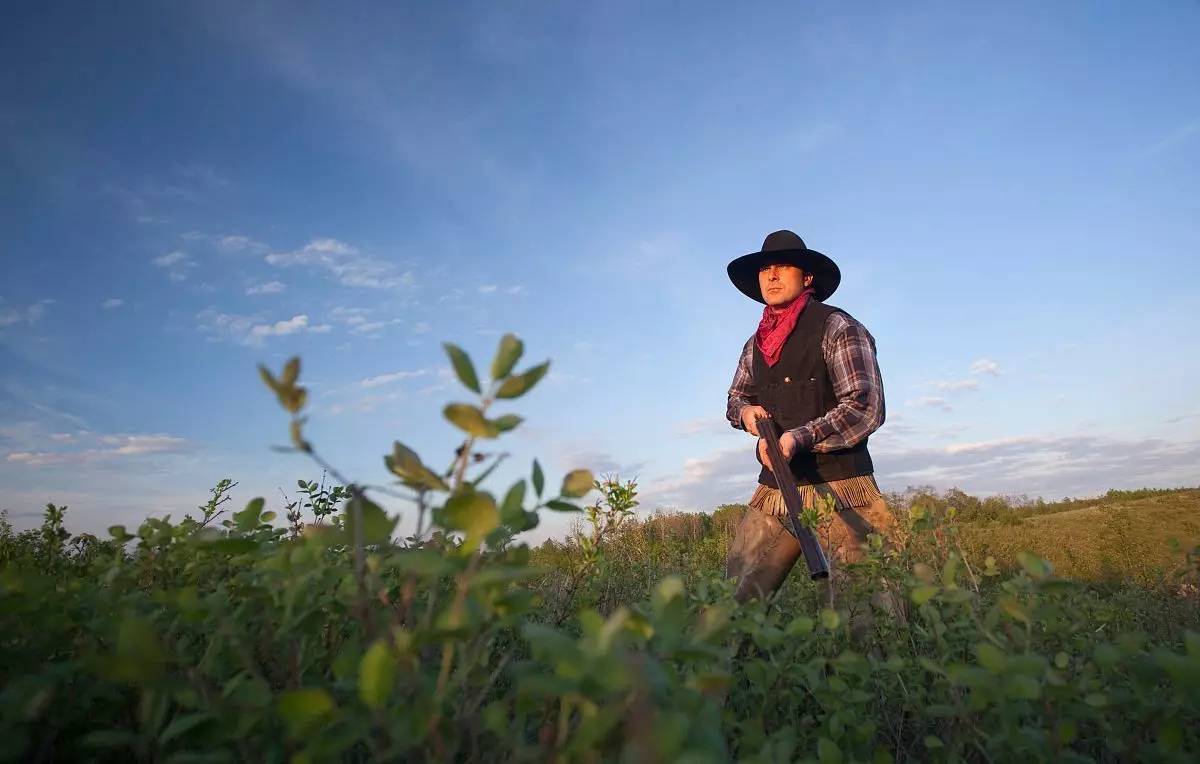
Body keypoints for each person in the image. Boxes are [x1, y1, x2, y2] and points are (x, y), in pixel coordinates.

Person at [723, 230, 901, 620]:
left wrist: (798, 439)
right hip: (773, 492)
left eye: (782, 266)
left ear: (807, 278)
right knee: (731, 603)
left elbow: (865, 406)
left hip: (842, 487)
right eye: (765, 269)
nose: (771, 276)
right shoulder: (754, 345)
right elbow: (735, 398)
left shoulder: (838, 327)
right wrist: (747, 415)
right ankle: (725, 679)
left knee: (867, 616)